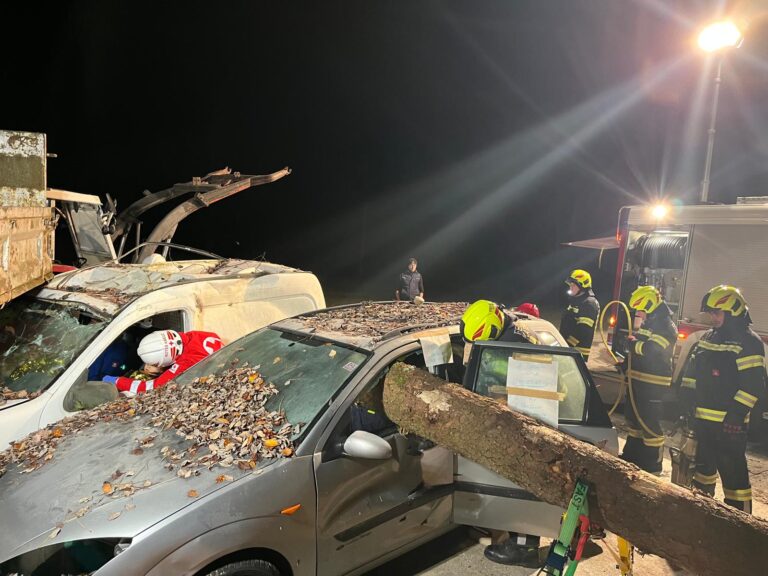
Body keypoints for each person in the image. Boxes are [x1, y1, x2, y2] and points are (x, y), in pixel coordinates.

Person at [460, 299, 541, 567]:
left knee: (521, 484)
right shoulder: (510, 331)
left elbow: (508, 384)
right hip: (522, 418)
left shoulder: (515, 346)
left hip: (527, 424)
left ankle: (523, 549)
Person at [678, 286, 766, 513]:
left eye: (717, 313)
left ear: (733, 311)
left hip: (729, 426)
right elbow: (692, 370)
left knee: (733, 474)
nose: (713, 318)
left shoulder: (749, 343)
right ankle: (703, 514)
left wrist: (736, 415)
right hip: (703, 420)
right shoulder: (708, 337)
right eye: (711, 313)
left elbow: (754, 386)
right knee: (702, 472)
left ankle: (741, 521)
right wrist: (686, 399)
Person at [620, 286, 677, 473]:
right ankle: (633, 457)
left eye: (641, 310)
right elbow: (640, 346)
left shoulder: (666, 326)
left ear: (650, 305)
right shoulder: (651, 323)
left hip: (653, 383)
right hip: (639, 379)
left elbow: (653, 351)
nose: (639, 314)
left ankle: (653, 464)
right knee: (635, 421)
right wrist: (627, 360)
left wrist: (634, 345)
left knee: (649, 422)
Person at [103, 330, 223, 395]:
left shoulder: (186, 363)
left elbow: (152, 387)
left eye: (156, 364)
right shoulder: (196, 335)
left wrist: (117, 381)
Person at [560, 269, 600, 361]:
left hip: (577, 351)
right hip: (571, 349)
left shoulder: (589, 303)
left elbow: (583, 331)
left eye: (573, 285)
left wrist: (567, 345)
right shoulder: (578, 301)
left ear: (582, 285)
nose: (570, 288)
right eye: (570, 285)